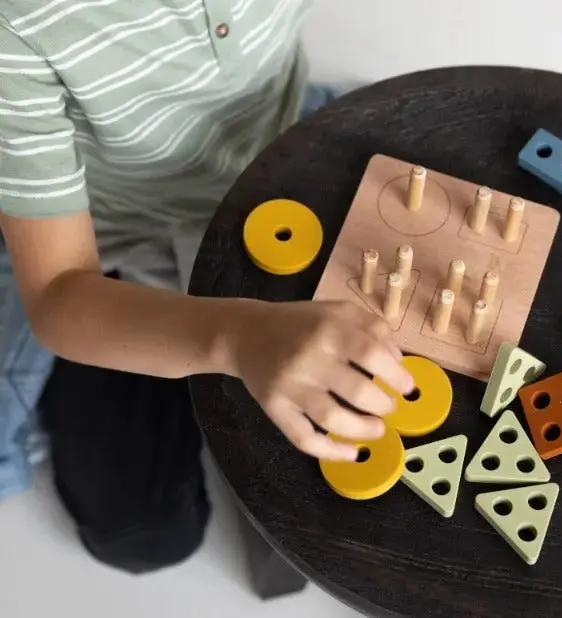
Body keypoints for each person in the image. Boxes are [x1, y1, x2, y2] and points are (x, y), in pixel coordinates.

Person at [0, 0, 413, 573]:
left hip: (284, 159)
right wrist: (235, 337)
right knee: (144, 532)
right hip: (118, 240)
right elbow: (57, 294)